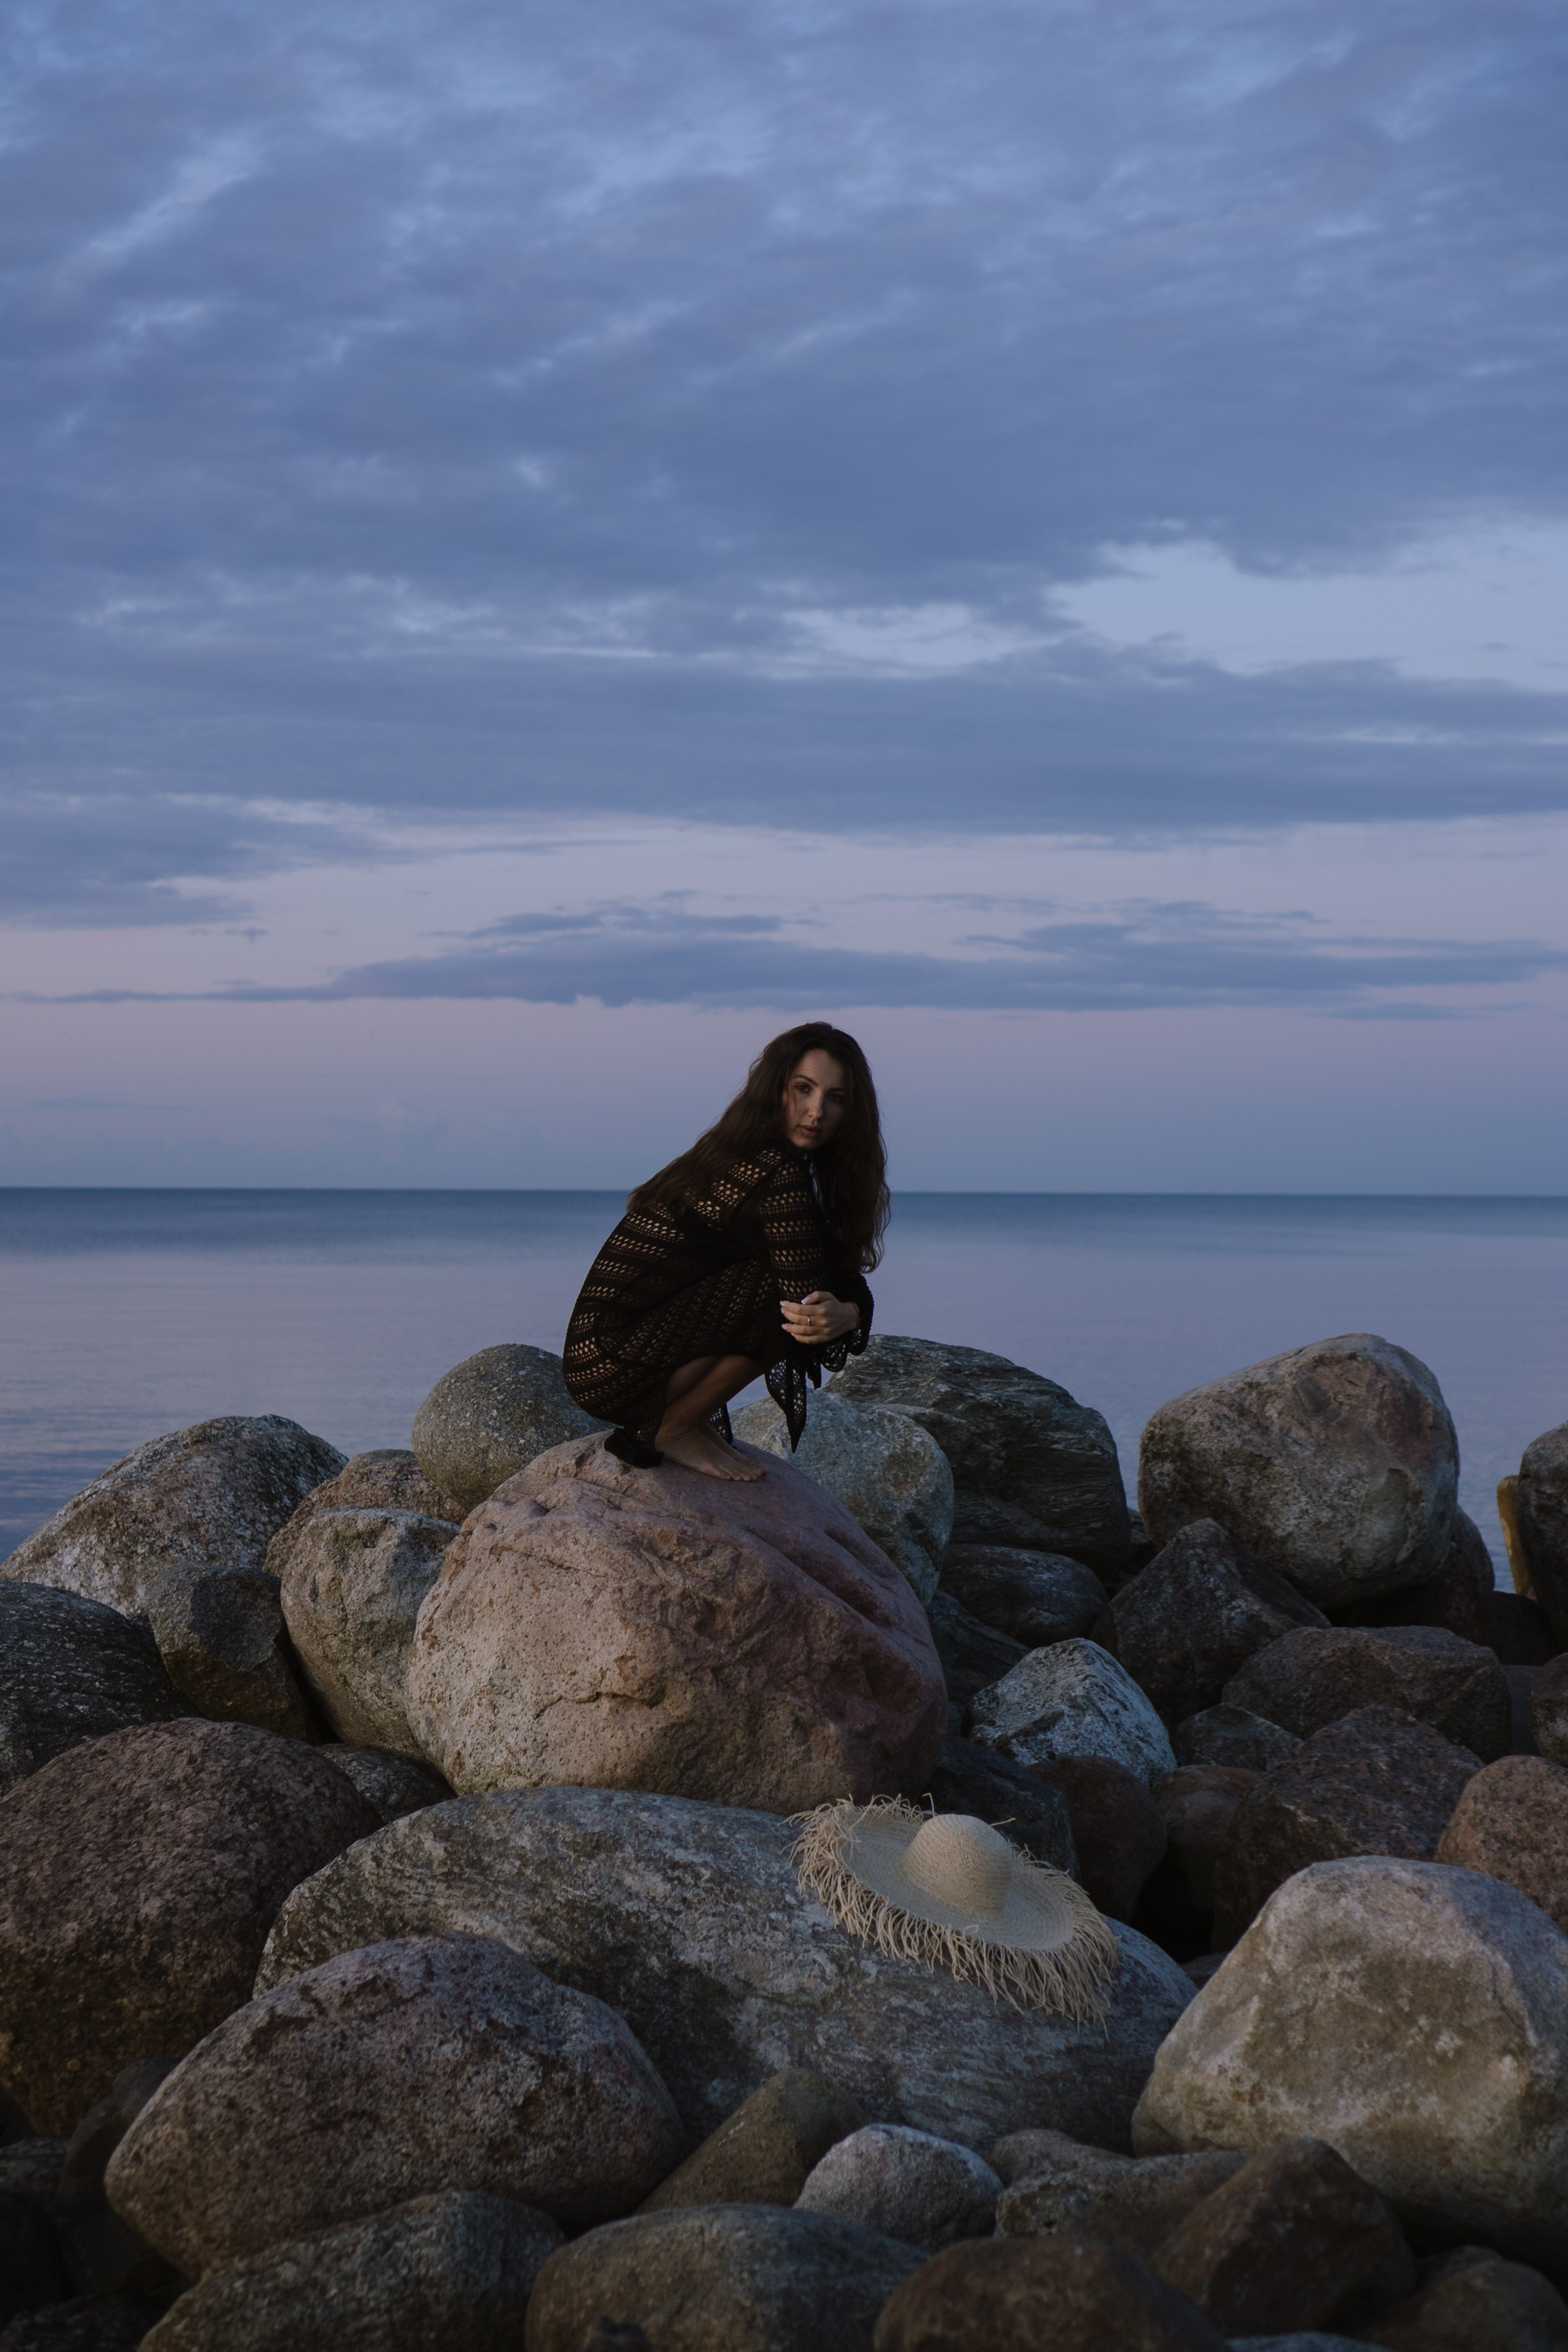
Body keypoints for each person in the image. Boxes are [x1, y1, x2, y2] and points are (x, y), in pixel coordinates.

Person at [563, 1022, 887, 1480]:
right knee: (789, 1302)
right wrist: (851, 1313)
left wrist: (851, 1310)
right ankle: (673, 1426)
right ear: (775, 1088)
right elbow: (809, 1298)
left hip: (599, 1359)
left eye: (836, 1098)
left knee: (789, 1288)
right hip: (614, 1364)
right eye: (803, 1089)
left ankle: (686, 1419)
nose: (816, 1111)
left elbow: (830, 1266)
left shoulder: (741, 1153)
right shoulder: (773, 1173)